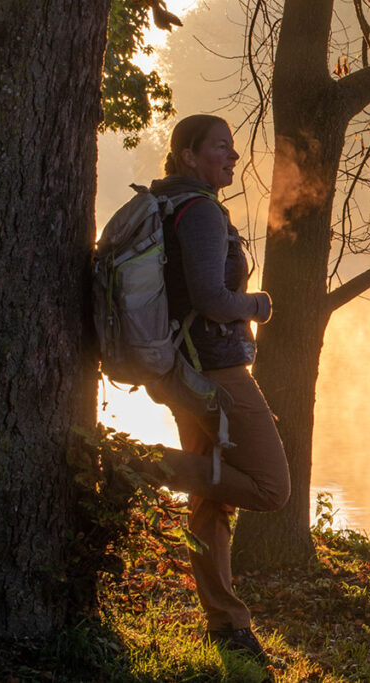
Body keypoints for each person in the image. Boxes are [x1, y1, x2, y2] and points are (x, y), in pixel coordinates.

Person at [144, 114, 290, 662]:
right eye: (220, 148)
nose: (232, 156)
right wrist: (259, 306)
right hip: (215, 370)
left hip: (189, 366)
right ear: (188, 155)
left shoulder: (176, 203)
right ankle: (142, 464)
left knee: (211, 498)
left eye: (231, 148)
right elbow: (210, 299)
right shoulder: (200, 211)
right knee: (270, 488)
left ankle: (226, 622)